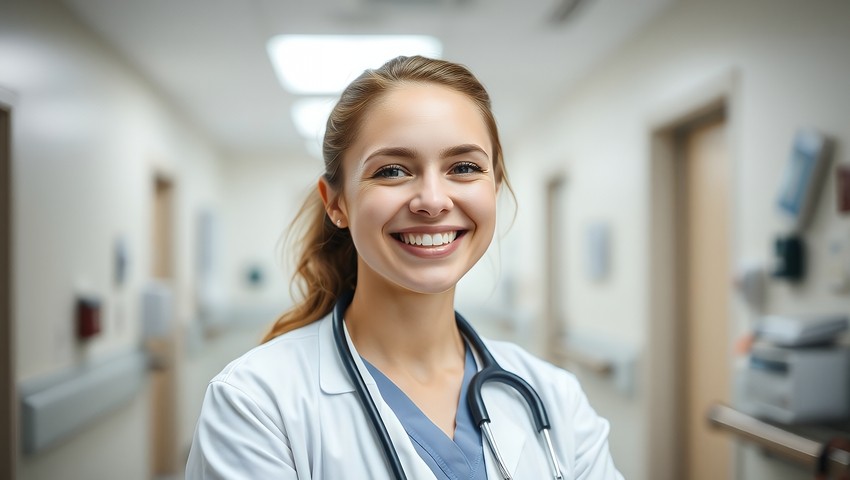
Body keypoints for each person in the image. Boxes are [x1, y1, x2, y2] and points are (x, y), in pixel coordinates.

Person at [186, 55, 623, 479]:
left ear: (495, 186)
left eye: (464, 167)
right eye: (393, 170)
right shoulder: (256, 404)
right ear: (336, 202)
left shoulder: (554, 398)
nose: (433, 201)